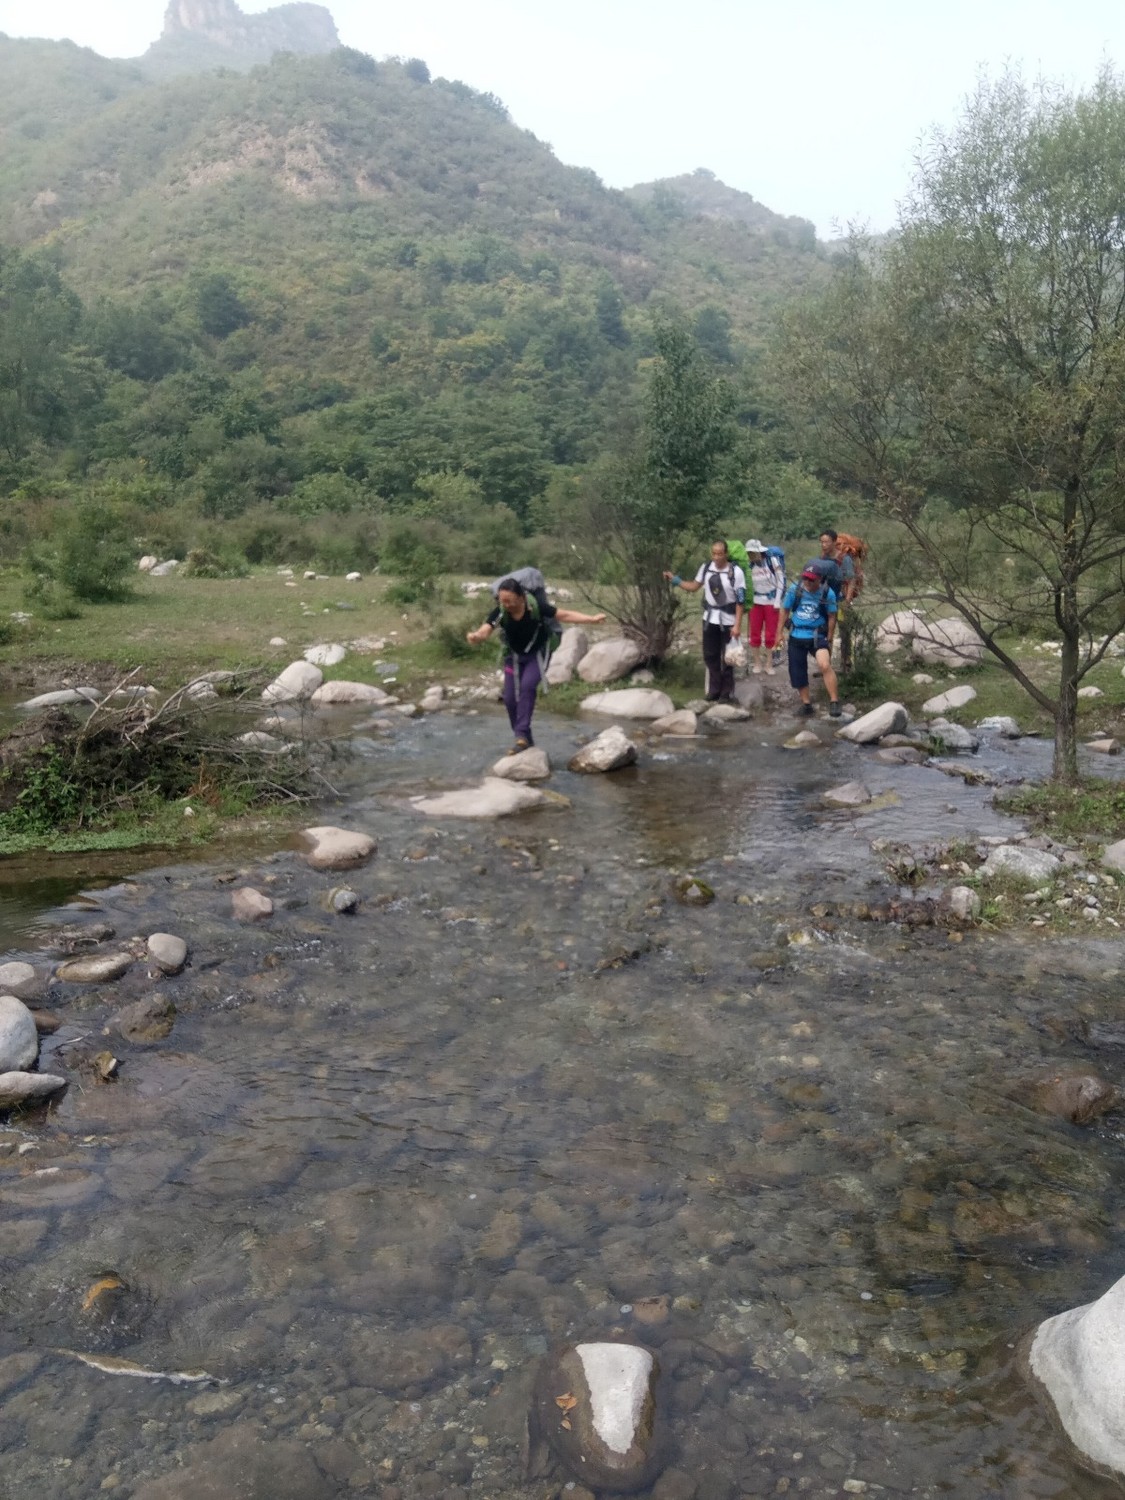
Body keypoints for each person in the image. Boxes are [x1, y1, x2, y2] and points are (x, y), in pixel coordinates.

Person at [466, 578, 606, 752]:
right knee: (509, 698)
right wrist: (477, 637)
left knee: (527, 687)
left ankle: (521, 734)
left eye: (509, 601)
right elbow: (486, 628)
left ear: (521, 598)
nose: (505, 604)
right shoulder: (501, 611)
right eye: (502, 601)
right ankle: (524, 738)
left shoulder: (536, 608)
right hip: (514, 657)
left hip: (537, 655)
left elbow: (565, 615)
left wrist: (591, 619)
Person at [663, 540, 745, 703]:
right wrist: (676, 580)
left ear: (726, 554)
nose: (716, 557)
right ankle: (714, 690)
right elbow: (694, 586)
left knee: (728, 657)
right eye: (713, 553)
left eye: (719, 554)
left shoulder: (736, 572)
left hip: (728, 620)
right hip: (709, 619)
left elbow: (740, 601)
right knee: (710, 655)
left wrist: (737, 625)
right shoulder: (706, 568)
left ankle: (726, 692)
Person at [780, 566, 841, 717]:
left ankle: (834, 701)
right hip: (797, 634)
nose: (807, 582)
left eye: (811, 579)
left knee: (824, 665)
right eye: (805, 578)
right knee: (797, 671)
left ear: (819, 579)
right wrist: (778, 633)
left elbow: (832, 616)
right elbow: (785, 610)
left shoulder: (828, 593)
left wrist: (830, 638)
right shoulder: (795, 589)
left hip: (818, 635)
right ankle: (806, 704)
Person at [817, 528, 857, 672]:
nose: (823, 545)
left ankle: (846, 663)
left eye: (826, 542)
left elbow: (851, 580)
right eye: (821, 542)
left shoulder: (843, 559)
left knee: (844, 631)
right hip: (824, 601)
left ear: (834, 542)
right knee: (825, 631)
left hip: (840, 600)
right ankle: (825, 665)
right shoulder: (821, 559)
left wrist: (847, 601)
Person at [744, 539, 784, 676]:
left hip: (771, 600)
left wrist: (778, 600)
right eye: (748, 553)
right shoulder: (749, 566)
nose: (750, 555)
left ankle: (769, 663)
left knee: (770, 634)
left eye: (752, 553)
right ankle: (757, 662)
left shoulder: (772, 561)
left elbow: (780, 580)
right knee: (755, 632)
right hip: (755, 601)